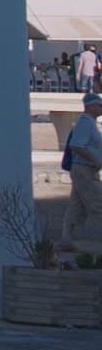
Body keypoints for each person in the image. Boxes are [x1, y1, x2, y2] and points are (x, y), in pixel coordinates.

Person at [66, 93, 102, 246]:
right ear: (91, 106)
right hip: (84, 169)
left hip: (86, 170)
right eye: (99, 105)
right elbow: (76, 145)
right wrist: (95, 160)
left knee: (76, 206)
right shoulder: (85, 123)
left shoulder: (90, 123)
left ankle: (67, 239)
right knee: (98, 203)